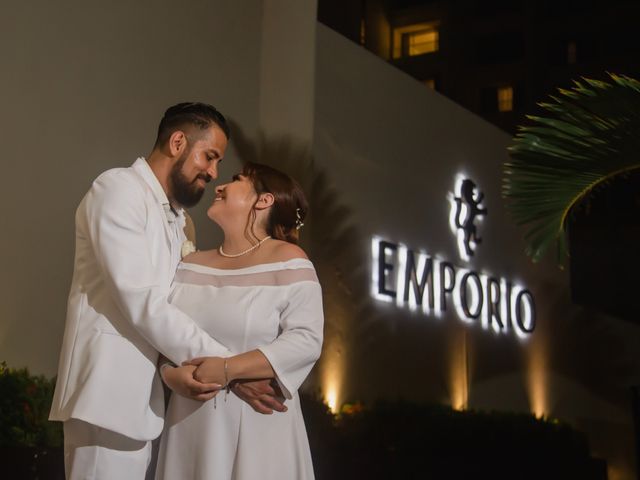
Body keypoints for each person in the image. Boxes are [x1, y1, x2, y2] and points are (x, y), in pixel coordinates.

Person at [49, 103, 285, 480]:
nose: (213, 172)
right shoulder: (117, 189)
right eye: (209, 156)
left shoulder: (182, 221)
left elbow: (177, 307)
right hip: (105, 394)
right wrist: (229, 368)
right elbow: (139, 299)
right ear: (178, 142)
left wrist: (173, 370)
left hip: (147, 405)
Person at [155, 162, 324, 480]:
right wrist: (169, 375)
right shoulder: (190, 265)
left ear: (264, 200)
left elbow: (306, 339)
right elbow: (167, 331)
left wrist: (228, 370)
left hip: (259, 422)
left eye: (236, 180)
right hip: (191, 418)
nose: (219, 186)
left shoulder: (289, 260)